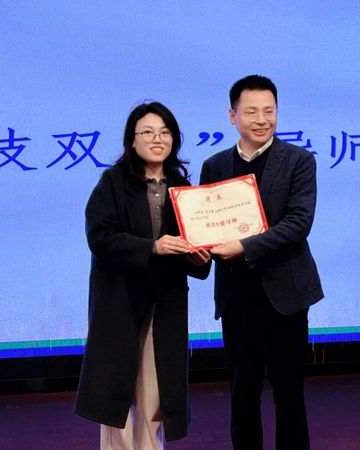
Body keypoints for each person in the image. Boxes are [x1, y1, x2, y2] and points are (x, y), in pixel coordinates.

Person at [75, 101, 211, 450]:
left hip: (164, 303)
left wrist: (198, 258)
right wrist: (152, 248)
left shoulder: (182, 187)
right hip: (119, 300)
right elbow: (100, 237)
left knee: (155, 395)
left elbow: (192, 245)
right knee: (115, 395)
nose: (157, 139)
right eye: (147, 132)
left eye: (165, 132)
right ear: (132, 140)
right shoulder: (113, 182)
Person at [199, 75, 324, 450]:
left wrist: (244, 246)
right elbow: (203, 224)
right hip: (237, 296)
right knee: (242, 394)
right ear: (232, 115)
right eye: (251, 111)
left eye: (269, 111)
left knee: (289, 395)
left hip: (286, 295)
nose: (261, 119)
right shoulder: (214, 165)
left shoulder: (299, 161)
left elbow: (298, 223)